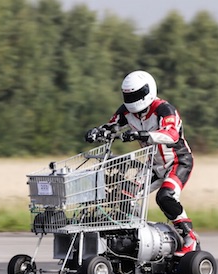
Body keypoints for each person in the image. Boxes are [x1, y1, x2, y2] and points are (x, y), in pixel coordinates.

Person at [85, 70, 198, 256]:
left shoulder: (164, 110)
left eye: (136, 95)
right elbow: (112, 126)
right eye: (128, 95)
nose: (132, 99)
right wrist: (98, 132)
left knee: (165, 197)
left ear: (148, 91)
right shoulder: (126, 111)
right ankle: (131, 239)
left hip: (177, 162)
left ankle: (189, 237)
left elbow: (172, 134)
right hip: (152, 165)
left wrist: (143, 135)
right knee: (125, 194)